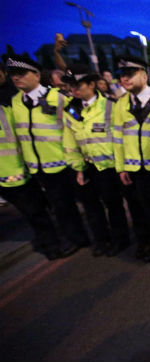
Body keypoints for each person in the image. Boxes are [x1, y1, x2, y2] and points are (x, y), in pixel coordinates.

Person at [7, 55, 89, 258]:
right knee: (51, 207)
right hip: (35, 167)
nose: (16, 79)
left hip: (61, 164)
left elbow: (76, 124)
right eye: (13, 75)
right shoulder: (15, 102)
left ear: (36, 75)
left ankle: (76, 239)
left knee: (65, 205)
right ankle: (70, 237)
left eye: (21, 74)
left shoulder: (58, 98)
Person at [62, 63, 133, 257]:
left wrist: (121, 166)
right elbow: (70, 142)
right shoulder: (70, 111)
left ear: (92, 84)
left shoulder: (109, 105)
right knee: (92, 207)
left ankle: (121, 239)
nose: (74, 89)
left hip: (109, 167)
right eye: (71, 86)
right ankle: (102, 240)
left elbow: (120, 138)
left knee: (114, 205)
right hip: (87, 166)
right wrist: (78, 168)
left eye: (78, 85)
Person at [113, 56, 150, 262]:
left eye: (130, 74)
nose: (124, 79)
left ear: (144, 76)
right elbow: (117, 138)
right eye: (121, 76)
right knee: (140, 210)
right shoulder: (120, 104)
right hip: (135, 168)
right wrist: (121, 168)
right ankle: (147, 243)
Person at [0, 102, 62, 259]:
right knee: (34, 213)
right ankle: (49, 241)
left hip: (19, 172)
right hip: (8, 176)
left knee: (35, 212)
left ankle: (51, 245)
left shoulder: (7, 112)